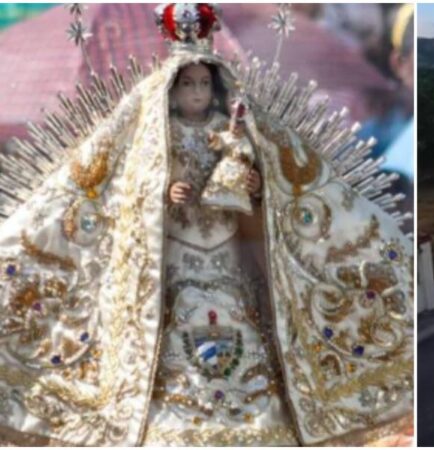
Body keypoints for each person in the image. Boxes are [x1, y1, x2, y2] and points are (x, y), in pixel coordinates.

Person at [0, 4, 412, 446]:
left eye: (203, 83)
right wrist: (161, 193)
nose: (197, 92)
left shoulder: (242, 126)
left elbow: (287, 183)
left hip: (233, 269)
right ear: (172, 89)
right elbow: (114, 192)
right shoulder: (146, 134)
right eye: (188, 84)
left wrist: (258, 187)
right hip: (170, 272)